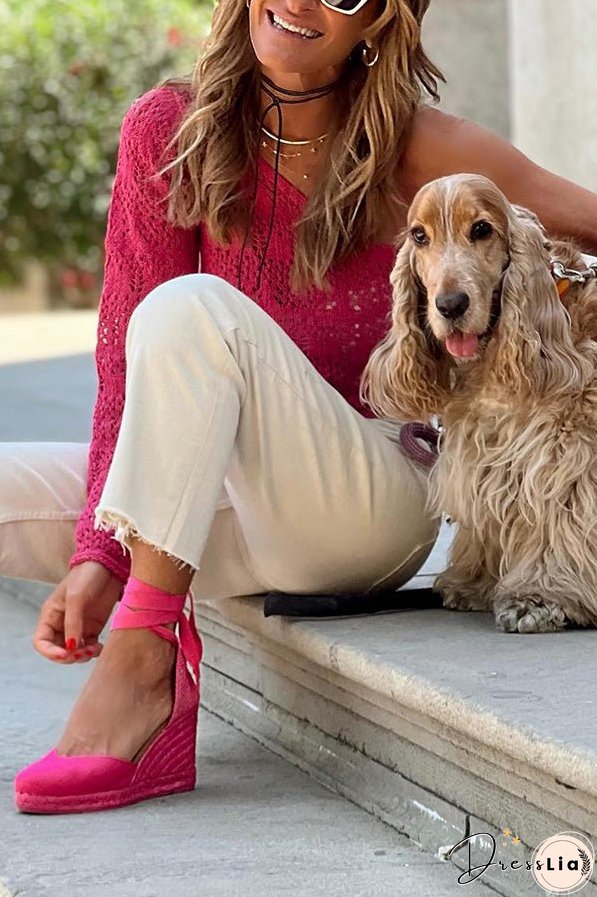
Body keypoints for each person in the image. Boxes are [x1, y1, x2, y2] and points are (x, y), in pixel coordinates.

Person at [6, 0, 597, 814]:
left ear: (383, 20)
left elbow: (577, 227)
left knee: (190, 310)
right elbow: (122, 365)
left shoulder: (420, 147)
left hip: (365, 500)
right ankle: (148, 580)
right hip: (234, 493)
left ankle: (143, 665)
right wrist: (99, 552)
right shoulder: (167, 129)